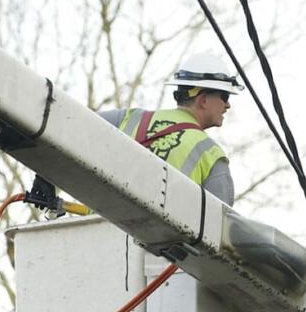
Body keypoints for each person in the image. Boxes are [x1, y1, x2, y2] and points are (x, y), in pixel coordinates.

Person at [99, 52, 242, 205]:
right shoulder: (211, 154)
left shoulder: (128, 118)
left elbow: (73, 124)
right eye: (225, 97)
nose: (227, 105)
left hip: (93, 227)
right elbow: (220, 222)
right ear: (204, 100)